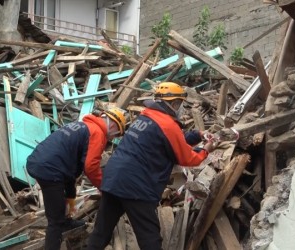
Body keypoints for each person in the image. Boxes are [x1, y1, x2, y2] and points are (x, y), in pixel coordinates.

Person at [87, 82, 216, 250]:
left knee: (101, 232)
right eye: (179, 103)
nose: (181, 108)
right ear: (173, 103)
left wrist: (197, 135)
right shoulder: (168, 125)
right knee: (150, 239)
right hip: (136, 186)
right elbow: (188, 158)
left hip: (113, 179)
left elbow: (169, 142)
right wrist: (206, 149)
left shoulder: (146, 117)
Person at [26, 107, 127, 250]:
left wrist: (71, 196)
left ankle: (66, 221)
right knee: (55, 221)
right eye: (116, 134)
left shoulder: (82, 125)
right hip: (50, 171)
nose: (112, 139)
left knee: (61, 203)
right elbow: (91, 167)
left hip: (39, 162)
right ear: (113, 125)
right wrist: (103, 187)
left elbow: (71, 169)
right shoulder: (97, 133)